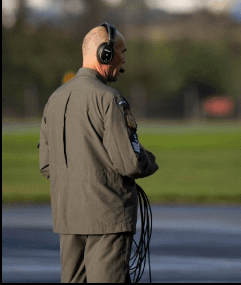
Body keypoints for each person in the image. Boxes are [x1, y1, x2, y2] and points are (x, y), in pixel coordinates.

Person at [39, 23, 158, 282]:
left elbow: (47, 166)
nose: (123, 59)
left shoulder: (54, 100)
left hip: (68, 219)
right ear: (105, 53)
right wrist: (151, 161)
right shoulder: (110, 99)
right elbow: (131, 163)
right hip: (107, 219)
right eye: (121, 52)